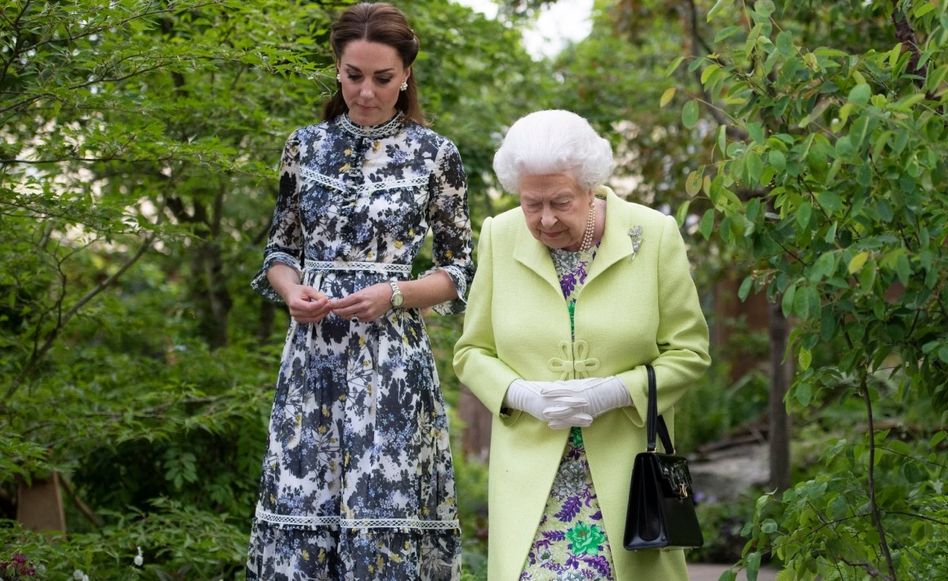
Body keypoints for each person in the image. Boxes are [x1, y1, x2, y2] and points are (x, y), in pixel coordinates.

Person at [246, 3, 473, 579]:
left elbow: (460, 270)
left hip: (392, 364)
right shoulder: (303, 146)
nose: (366, 92)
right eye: (353, 76)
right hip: (311, 362)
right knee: (303, 511)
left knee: (384, 516)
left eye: (382, 78)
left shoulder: (436, 155)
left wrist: (393, 294)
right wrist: (292, 290)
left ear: (406, 76)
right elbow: (279, 252)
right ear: (337, 67)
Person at [453, 110, 710, 580]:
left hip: (629, 482)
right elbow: (471, 353)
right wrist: (520, 395)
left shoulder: (651, 235)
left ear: (590, 186)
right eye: (532, 204)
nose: (546, 219)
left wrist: (614, 391)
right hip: (531, 483)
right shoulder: (499, 234)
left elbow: (690, 352)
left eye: (560, 201)